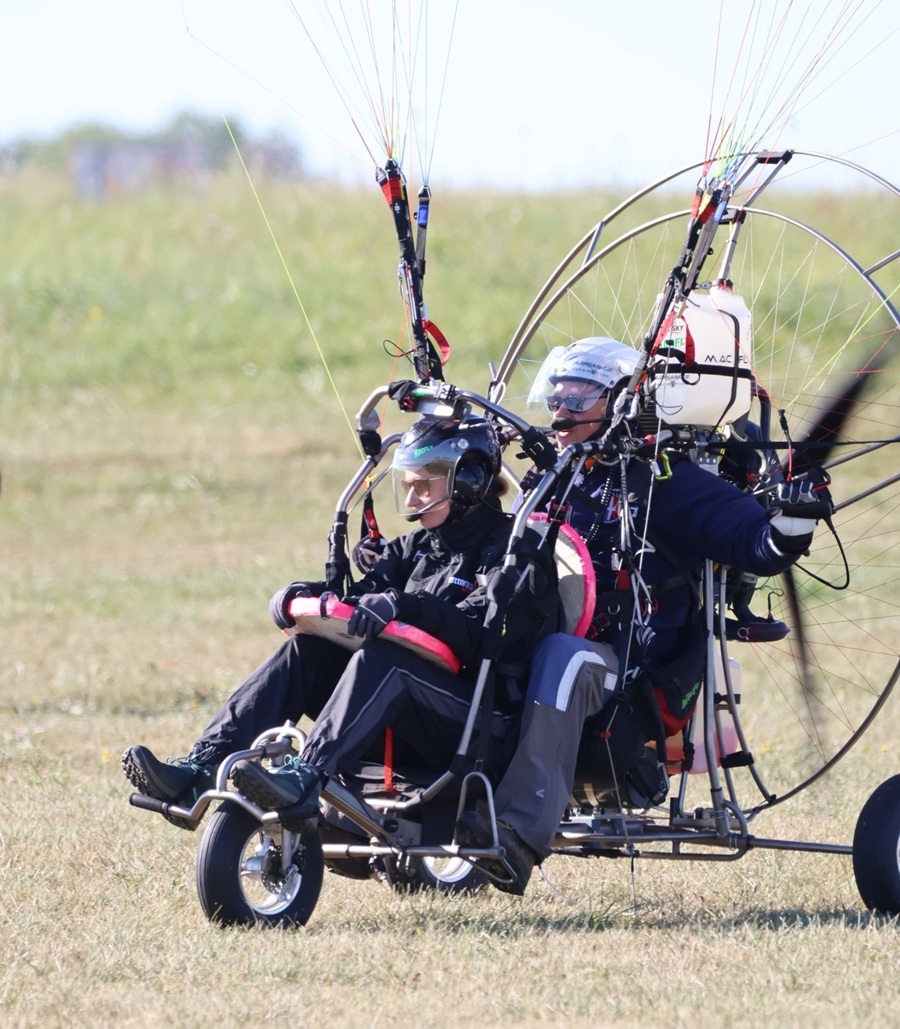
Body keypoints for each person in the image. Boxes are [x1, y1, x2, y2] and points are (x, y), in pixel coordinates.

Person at [454, 336, 827, 894]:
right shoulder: (555, 475)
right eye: (557, 395)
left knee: (560, 656)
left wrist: (794, 517)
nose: (561, 410)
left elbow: (759, 546)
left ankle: (517, 834)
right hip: (548, 650)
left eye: (579, 397)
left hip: (630, 683)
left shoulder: (668, 483)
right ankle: (403, 808)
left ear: (624, 402)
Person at [123, 415, 561, 828]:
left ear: (467, 483)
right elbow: (358, 602)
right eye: (407, 487)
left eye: (424, 488)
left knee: (387, 659)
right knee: (307, 652)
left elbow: (478, 637)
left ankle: (305, 777)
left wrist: (404, 606)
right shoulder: (413, 548)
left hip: (477, 722)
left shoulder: (516, 553)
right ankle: (200, 768)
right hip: (407, 708)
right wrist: (305, 596)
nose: (410, 501)